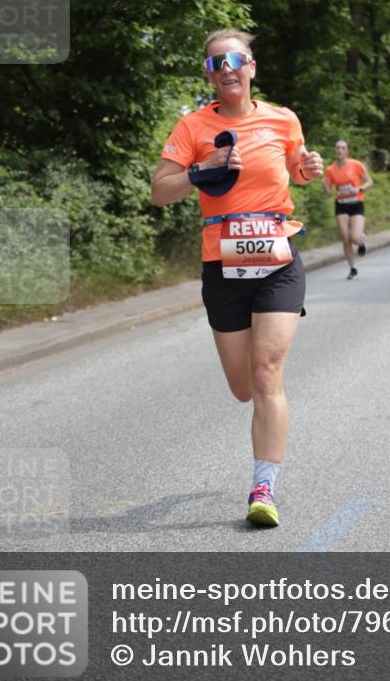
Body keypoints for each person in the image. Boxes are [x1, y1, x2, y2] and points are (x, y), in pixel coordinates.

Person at [151, 28, 323, 527]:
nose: (226, 69)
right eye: (215, 63)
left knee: (267, 373)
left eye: (235, 60)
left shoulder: (282, 118)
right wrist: (200, 170)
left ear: (251, 67)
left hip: (277, 256)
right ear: (208, 74)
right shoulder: (193, 126)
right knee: (243, 387)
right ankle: (262, 460)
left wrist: (308, 168)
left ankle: (263, 488)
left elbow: (296, 167)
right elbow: (160, 191)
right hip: (222, 264)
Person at [323, 140, 373, 279]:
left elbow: (369, 182)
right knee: (345, 238)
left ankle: (360, 242)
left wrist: (359, 189)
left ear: (347, 151)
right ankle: (352, 268)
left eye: (343, 148)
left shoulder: (356, 165)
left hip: (356, 203)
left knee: (354, 237)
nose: (340, 150)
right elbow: (328, 192)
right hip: (341, 204)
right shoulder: (330, 169)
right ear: (335, 150)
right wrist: (325, 185)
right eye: (337, 148)